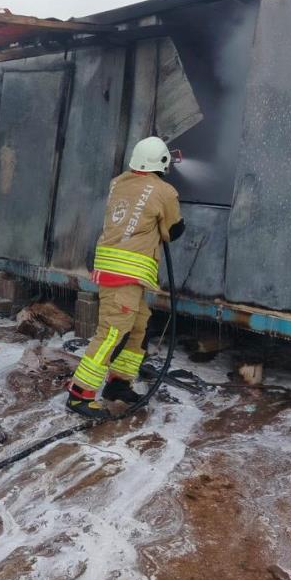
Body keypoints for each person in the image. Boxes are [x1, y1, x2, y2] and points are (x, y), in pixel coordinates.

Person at [66, 136, 185, 419]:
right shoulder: (164, 191)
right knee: (110, 334)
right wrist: (179, 223)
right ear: (163, 163)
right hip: (125, 277)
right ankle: (79, 394)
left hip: (114, 272)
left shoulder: (118, 182)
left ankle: (119, 384)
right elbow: (171, 231)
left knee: (138, 325)